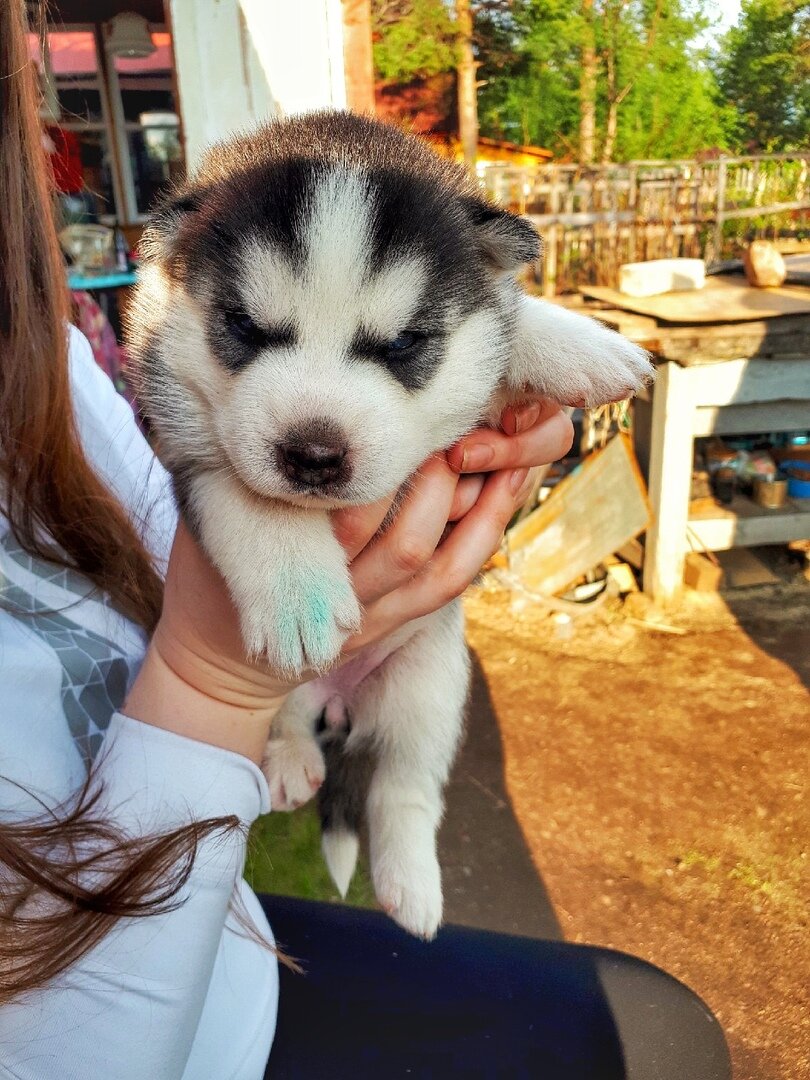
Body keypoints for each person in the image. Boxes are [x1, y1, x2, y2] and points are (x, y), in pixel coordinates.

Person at [0, 5, 730, 1078]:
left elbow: (169, 537)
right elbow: (207, 512)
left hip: (226, 956)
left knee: (655, 1027)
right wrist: (224, 684)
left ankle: (397, 809)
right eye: (251, 331)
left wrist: (505, 368)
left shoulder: (42, 365)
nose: (313, 424)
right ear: (176, 273)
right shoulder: (146, 347)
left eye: (394, 346)